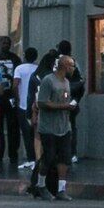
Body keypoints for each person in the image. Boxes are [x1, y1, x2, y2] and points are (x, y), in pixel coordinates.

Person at [31, 47, 83, 199]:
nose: (73, 68)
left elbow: (65, 98)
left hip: (64, 126)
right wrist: (64, 106)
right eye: (71, 65)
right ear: (64, 66)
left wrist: (69, 106)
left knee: (64, 158)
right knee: (48, 157)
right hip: (48, 127)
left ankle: (61, 189)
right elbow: (41, 103)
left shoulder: (66, 82)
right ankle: (41, 185)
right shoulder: (48, 80)